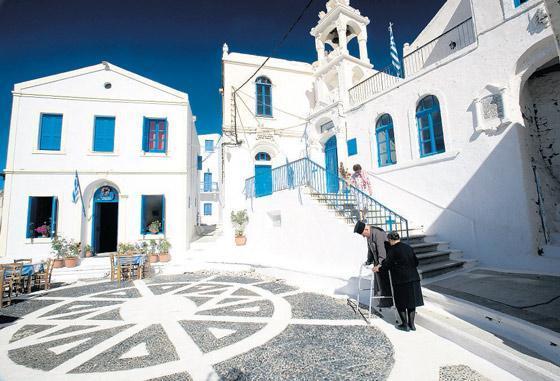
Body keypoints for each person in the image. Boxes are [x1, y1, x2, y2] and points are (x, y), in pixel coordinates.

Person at [373, 231, 424, 331]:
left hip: (401, 280)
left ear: (391, 240)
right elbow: (416, 262)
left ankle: (405, 324)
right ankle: (412, 325)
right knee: (411, 303)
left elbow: (387, 264)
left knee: (401, 303)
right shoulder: (408, 247)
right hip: (413, 278)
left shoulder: (393, 250)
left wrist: (379, 268)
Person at [354, 221, 393, 308]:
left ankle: (388, 302)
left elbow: (382, 251)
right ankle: (381, 301)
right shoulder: (369, 235)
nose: (363, 236)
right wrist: (369, 261)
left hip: (384, 263)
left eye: (363, 234)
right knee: (378, 283)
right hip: (377, 262)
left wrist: (379, 265)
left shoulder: (377, 233)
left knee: (385, 283)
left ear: (366, 229)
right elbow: (370, 250)